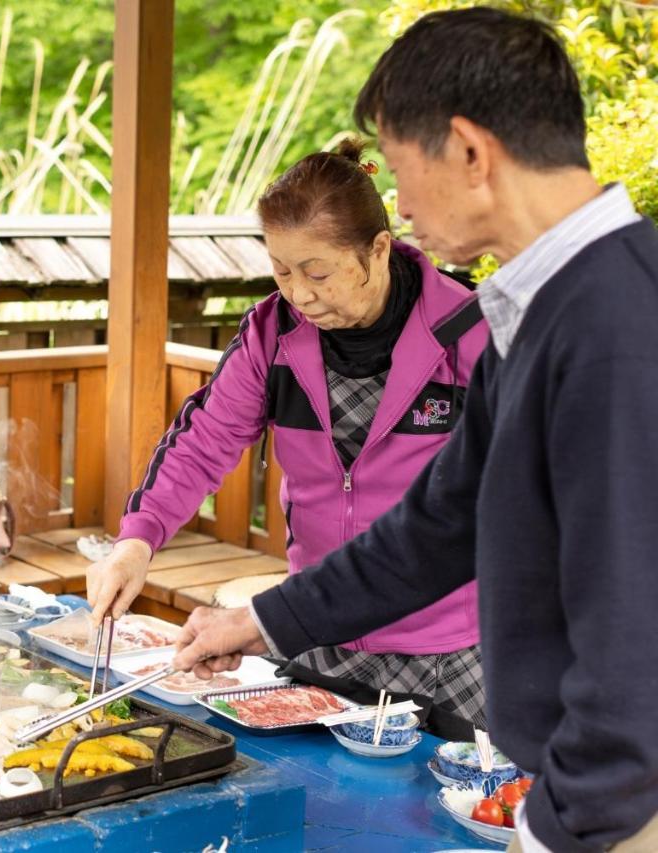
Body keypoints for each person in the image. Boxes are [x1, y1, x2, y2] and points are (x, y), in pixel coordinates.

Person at [169, 9, 658, 853]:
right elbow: (438, 527)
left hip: (608, 814)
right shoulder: (533, 310)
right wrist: (264, 621)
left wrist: (553, 830)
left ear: (469, 152)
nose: (393, 202)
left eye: (399, 167)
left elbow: (635, 634)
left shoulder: (613, 323)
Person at [87, 139, 488, 736]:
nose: (298, 294)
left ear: (378, 249)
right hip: (315, 632)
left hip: (447, 651)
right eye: (281, 270)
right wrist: (136, 542)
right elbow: (203, 441)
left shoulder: (470, 334)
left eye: (317, 271)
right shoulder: (271, 334)